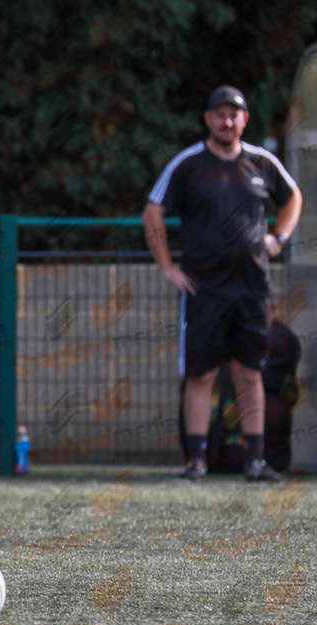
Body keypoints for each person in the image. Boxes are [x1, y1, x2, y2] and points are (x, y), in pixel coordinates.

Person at [142, 85, 302, 482]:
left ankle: (255, 460)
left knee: (250, 373)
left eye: (235, 114)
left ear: (244, 120)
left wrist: (278, 238)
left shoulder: (262, 162)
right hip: (204, 290)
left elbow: (294, 198)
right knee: (201, 375)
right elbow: (152, 211)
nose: (227, 121)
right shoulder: (188, 164)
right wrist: (168, 268)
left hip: (251, 289)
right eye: (220, 114)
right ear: (208, 119)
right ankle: (196, 462)